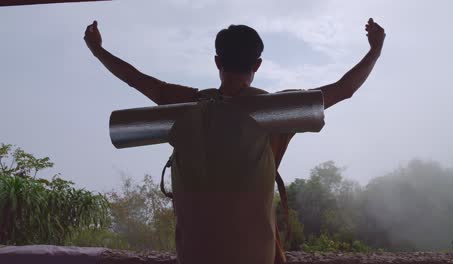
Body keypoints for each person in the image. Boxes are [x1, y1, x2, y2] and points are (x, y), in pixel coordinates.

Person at [84, 18, 385, 264]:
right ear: (257, 65)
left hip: (195, 255)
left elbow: (137, 79)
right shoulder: (276, 113)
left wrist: (98, 50)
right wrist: (374, 51)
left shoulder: (187, 105)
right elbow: (343, 89)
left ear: (217, 61)